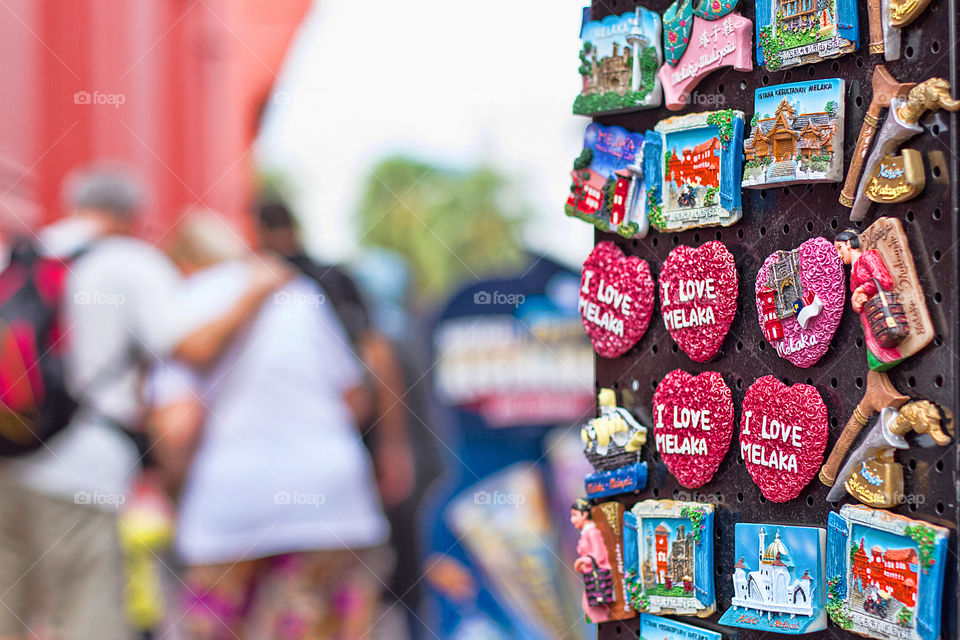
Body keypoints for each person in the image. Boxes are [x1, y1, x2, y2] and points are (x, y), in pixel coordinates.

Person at [0, 165, 288, 640]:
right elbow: (190, 347)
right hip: (82, 470)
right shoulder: (129, 262)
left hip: (9, 460)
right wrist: (254, 292)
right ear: (129, 215)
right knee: (87, 613)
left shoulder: (22, 254)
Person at [150, 211, 392, 639]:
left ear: (182, 262)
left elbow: (177, 427)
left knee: (218, 625)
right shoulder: (298, 294)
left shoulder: (184, 302)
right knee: (312, 623)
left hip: (229, 501)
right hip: (328, 496)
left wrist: (172, 487)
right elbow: (354, 400)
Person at [834, 229, 903, 368]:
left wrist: (861, 289)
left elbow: (884, 280)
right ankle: (882, 360)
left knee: (887, 345)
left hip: (882, 312)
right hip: (870, 319)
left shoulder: (868, 256)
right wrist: (857, 302)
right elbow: (857, 296)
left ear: (848, 243)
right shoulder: (853, 271)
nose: (838, 255)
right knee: (877, 350)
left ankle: (891, 357)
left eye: (839, 248)